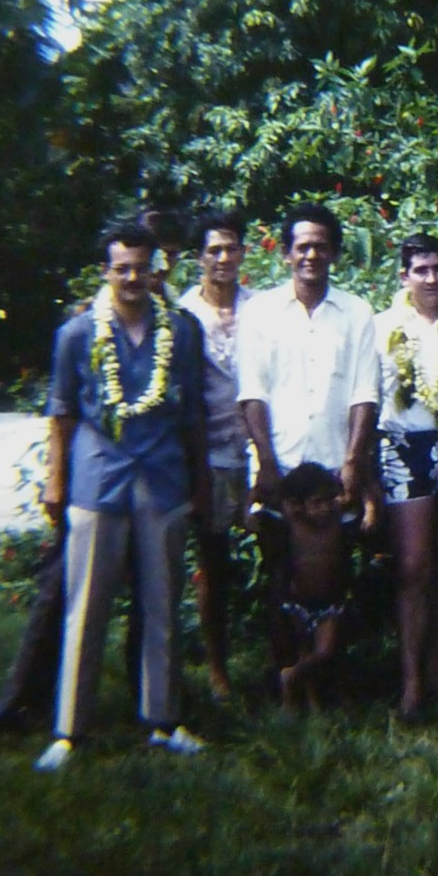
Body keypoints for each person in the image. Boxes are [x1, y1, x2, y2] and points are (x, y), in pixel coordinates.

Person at [34, 223, 209, 771]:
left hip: (162, 477)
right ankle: (69, 730)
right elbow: (62, 412)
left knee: (162, 603)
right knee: (87, 606)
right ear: (106, 272)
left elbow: (194, 416)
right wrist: (56, 479)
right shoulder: (78, 333)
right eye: (121, 268)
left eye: (141, 266)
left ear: (156, 269)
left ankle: (162, 720)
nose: (132, 277)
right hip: (98, 476)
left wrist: (200, 481)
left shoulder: (181, 331)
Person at [236, 202, 381, 680]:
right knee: (281, 577)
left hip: (333, 471)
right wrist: (266, 462)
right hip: (282, 464)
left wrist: (353, 462)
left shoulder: (356, 313)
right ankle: (285, 673)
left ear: (335, 252)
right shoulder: (259, 313)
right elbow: (252, 393)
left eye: (321, 246)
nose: (311, 255)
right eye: (303, 246)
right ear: (286, 254)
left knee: (333, 581)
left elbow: (364, 393)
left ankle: (325, 678)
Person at [374, 234, 438, 718]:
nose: (432, 279)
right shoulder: (382, 327)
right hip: (402, 445)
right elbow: (369, 398)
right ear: (404, 277)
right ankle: (410, 681)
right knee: (413, 566)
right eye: (421, 270)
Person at [178, 210, 253, 698]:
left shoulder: (262, 308)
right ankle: (218, 669)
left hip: (260, 450)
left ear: (244, 252)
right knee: (214, 562)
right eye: (214, 250)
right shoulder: (185, 316)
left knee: (279, 553)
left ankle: (292, 662)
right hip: (211, 455)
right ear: (199, 257)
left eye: (231, 248)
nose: (224, 258)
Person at [257, 463, 352, 713]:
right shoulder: (293, 523)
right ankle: (300, 703)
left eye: (328, 500)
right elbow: (261, 505)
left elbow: (361, 499)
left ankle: (292, 675)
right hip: (298, 604)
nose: (324, 508)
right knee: (302, 651)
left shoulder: (336, 521)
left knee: (324, 652)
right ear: (299, 504)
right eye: (316, 502)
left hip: (329, 604)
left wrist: (372, 507)